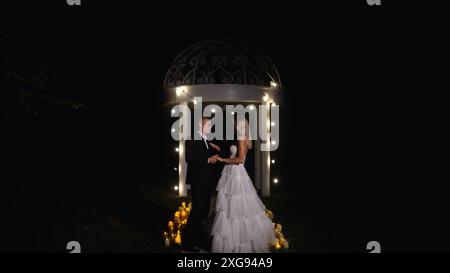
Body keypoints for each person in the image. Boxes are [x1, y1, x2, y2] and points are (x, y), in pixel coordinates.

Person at [210, 119, 276, 253]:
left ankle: (236, 242)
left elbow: (239, 159)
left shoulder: (241, 137)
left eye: (235, 124)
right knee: (235, 206)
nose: (233, 126)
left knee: (233, 207)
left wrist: (222, 160)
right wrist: (219, 149)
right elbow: (238, 154)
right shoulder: (246, 138)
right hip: (236, 172)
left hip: (236, 172)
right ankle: (240, 238)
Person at [181, 117, 218, 252]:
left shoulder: (204, 140)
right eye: (208, 124)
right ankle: (186, 245)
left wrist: (213, 150)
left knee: (203, 213)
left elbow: (202, 153)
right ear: (200, 125)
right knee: (196, 212)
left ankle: (196, 242)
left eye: (210, 125)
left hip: (206, 182)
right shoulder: (192, 138)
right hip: (199, 182)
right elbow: (189, 158)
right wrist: (208, 159)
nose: (210, 126)